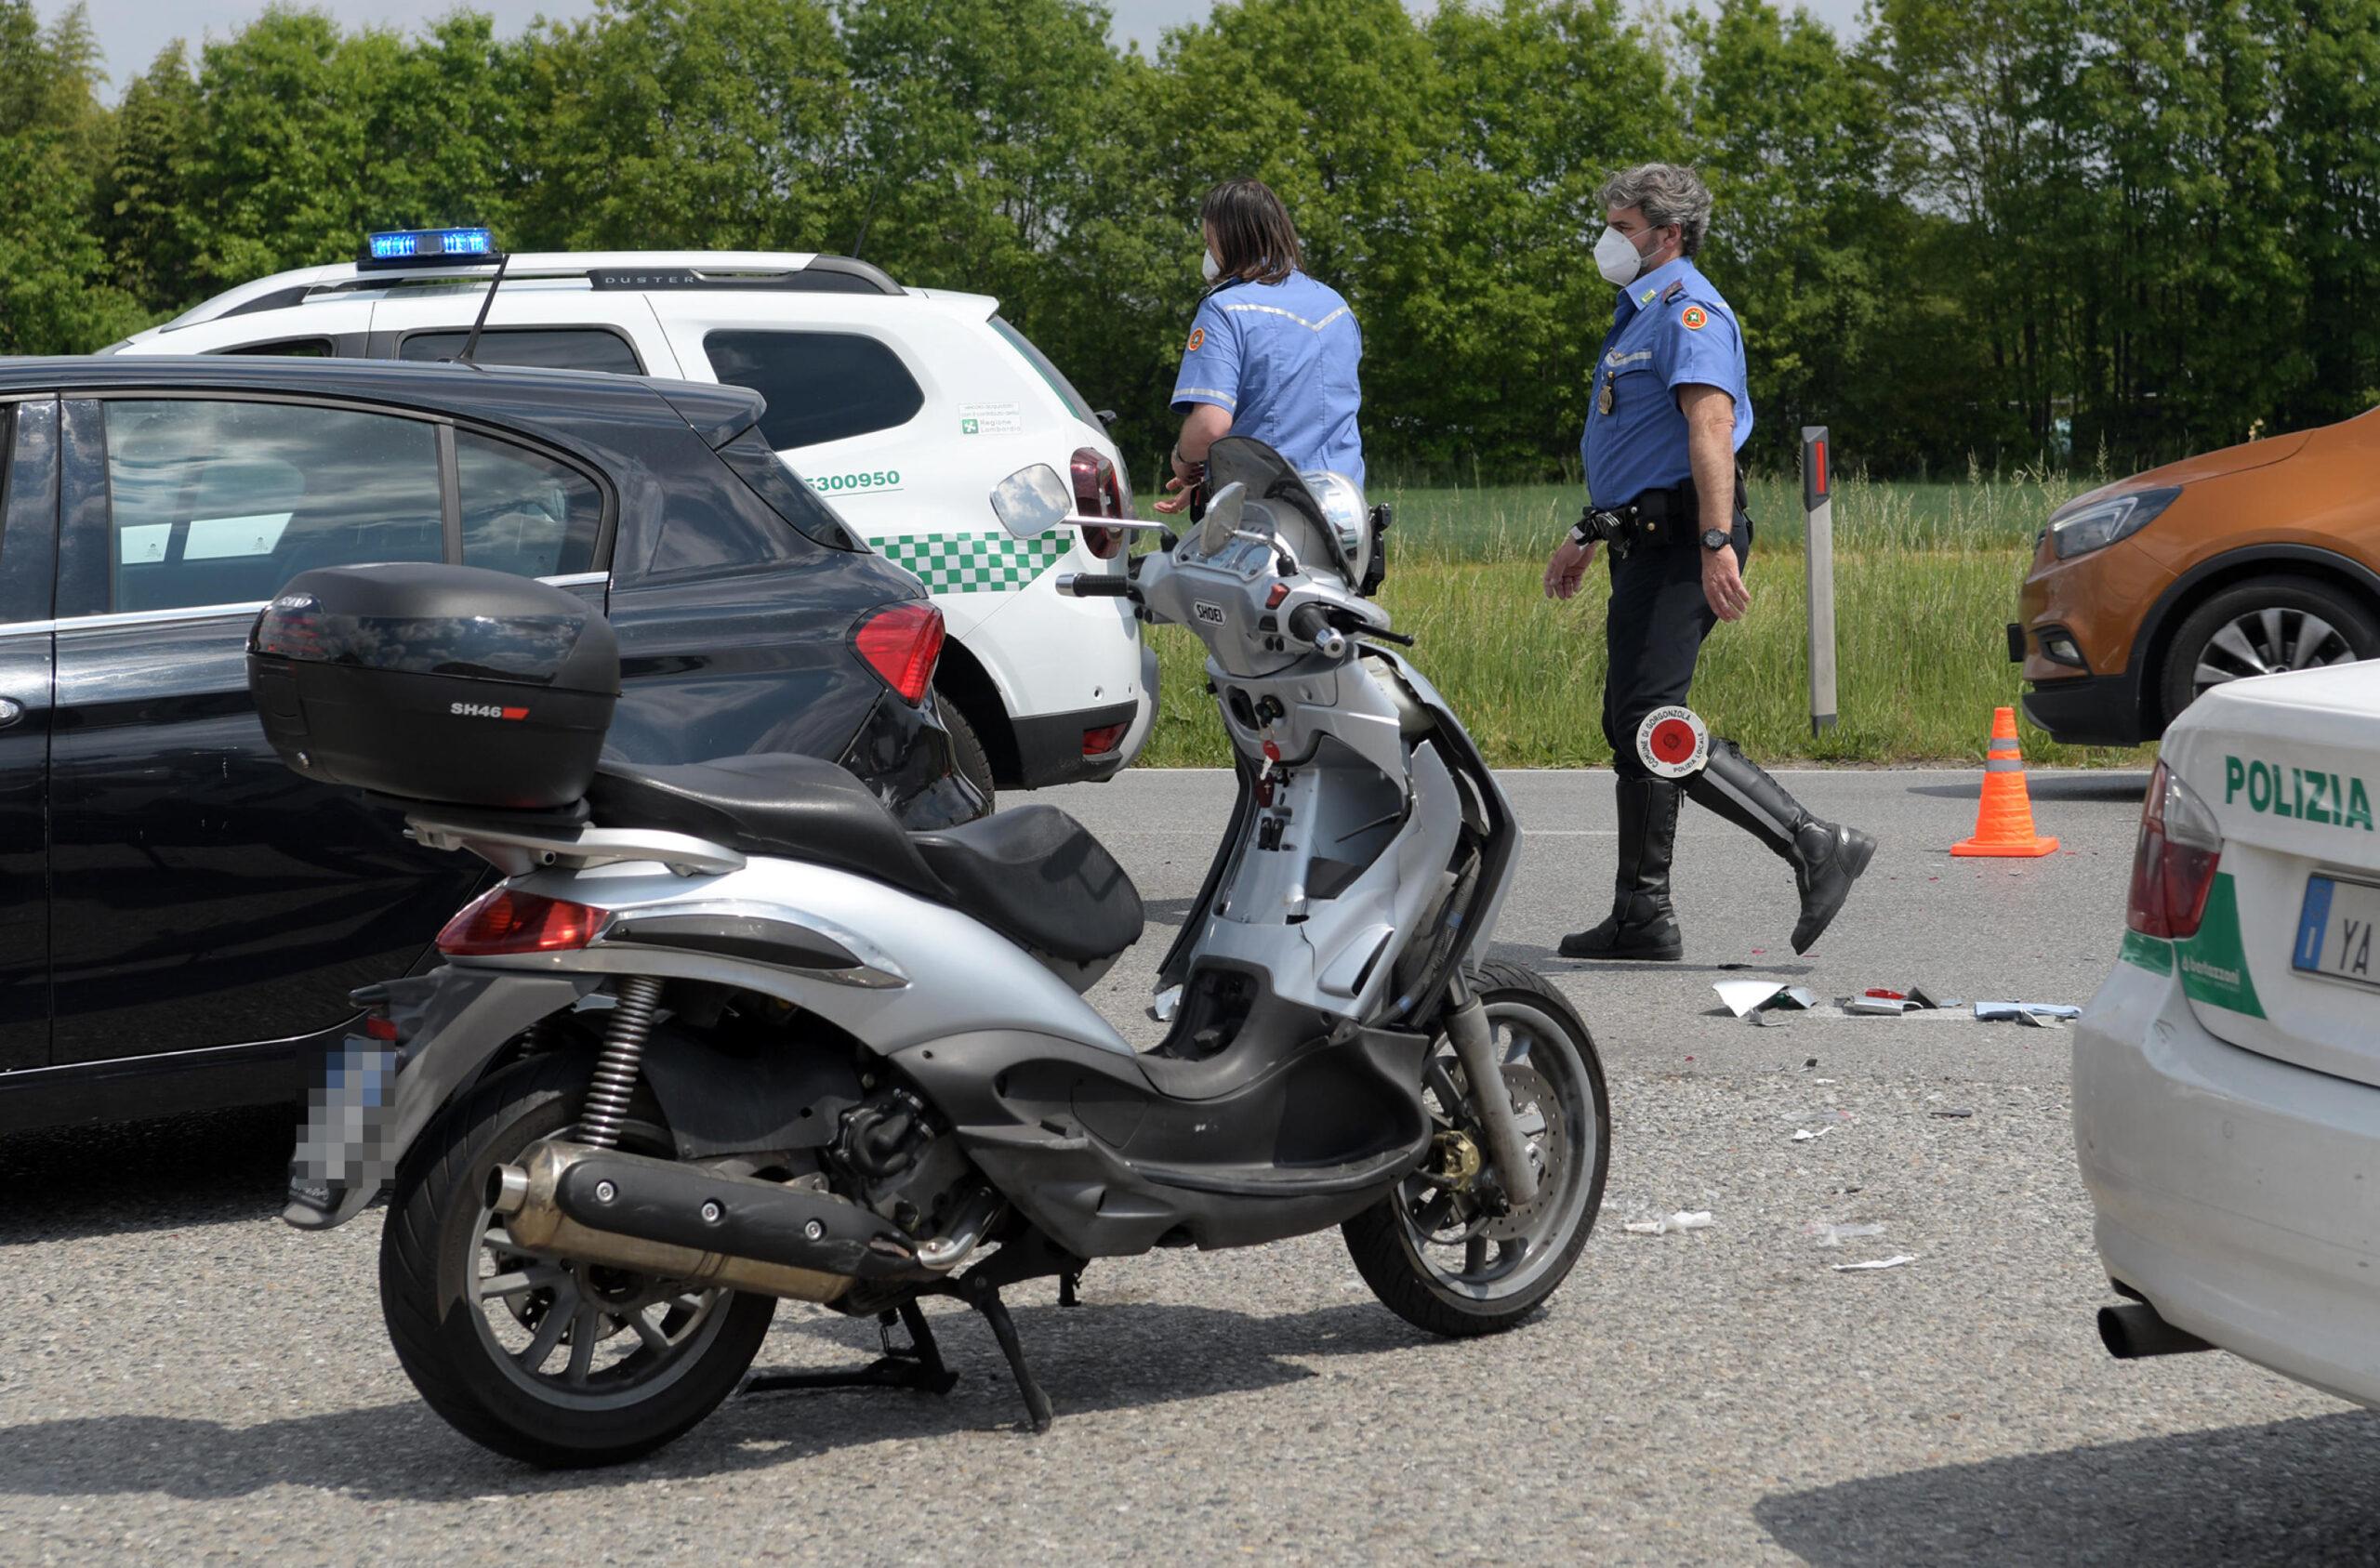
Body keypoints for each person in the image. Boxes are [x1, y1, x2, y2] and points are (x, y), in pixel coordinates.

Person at [1543, 163, 1872, 960]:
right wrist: (1589, 532)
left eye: (1623, 228)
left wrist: (1717, 542)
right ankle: (1641, 915)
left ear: (1669, 233)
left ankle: (1813, 841)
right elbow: (1637, 446)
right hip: (1639, 539)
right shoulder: (1637, 316)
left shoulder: (1689, 310)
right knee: (1629, 725)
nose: (1609, 241)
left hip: (1685, 540)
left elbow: (1710, 429)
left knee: (1652, 724)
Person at [1157, 178, 1362, 516]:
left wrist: (1182, 458)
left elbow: (1210, 427)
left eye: (1209, 241)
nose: (1209, 253)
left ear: (1229, 240)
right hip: (1344, 513)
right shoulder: (1336, 307)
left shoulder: (1224, 309)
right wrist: (1207, 480)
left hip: (1264, 515)